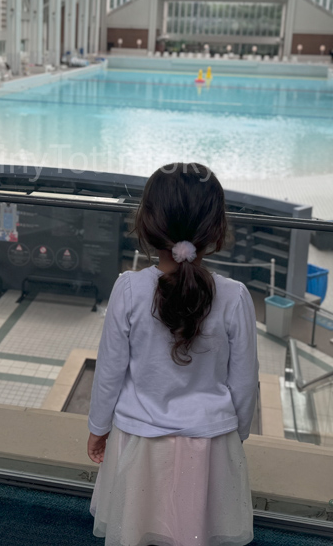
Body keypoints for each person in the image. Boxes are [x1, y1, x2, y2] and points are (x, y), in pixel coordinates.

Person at [87, 163, 257, 546]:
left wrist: (99, 428)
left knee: (136, 526)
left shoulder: (128, 290)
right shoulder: (236, 297)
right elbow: (244, 381)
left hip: (138, 437)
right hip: (210, 442)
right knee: (193, 530)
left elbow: (109, 372)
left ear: (146, 222)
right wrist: (237, 433)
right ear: (216, 228)